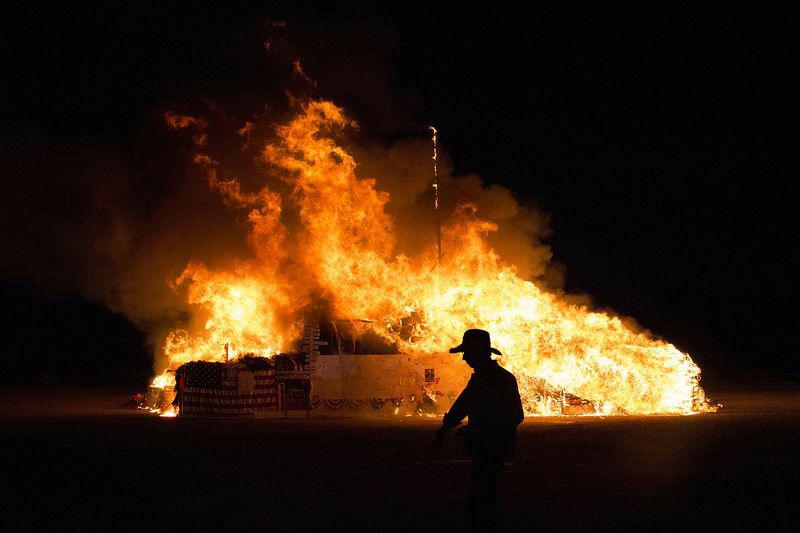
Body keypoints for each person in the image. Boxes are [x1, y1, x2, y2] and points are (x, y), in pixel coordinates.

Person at [427, 329, 524, 531]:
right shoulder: (480, 379)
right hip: (484, 447)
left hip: (493, 448)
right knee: (482, 496)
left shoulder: (500, 379)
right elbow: (461, 407)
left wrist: (480, 430)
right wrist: (442, 434)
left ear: (479, 353)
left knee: (482, 498)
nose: (464, 358)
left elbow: (515, 416)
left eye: (467, 353)